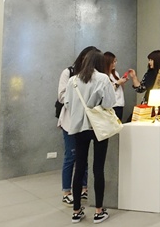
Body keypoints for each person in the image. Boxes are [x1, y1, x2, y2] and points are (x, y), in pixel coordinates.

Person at [65, 49, 116, 224]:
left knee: (79, 167)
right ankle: (98, 211)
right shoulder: (103, 79)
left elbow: (67, 103)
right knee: (98, 168)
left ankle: (76, 210)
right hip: (98, 126)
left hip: (79, 128)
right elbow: (110, 103)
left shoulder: (72, 81)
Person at [57, 46, 93, 207]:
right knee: (70, 156)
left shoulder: (92, 75)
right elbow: (61, 96)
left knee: (83, 157)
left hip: (85, 122)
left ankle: (84, 188)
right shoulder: (68, 73)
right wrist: (77, 98)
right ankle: (66, 191)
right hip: (69, 121)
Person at [103, 52, 128, 121]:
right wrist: (118, 83)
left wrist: (122, 82)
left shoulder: (115, 73)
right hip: (112, 105)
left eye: (115, 61)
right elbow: (108, 91)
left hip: (120, 103)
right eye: (113, 62)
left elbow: (120, 89)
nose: (115, 64)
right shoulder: (104, 76)